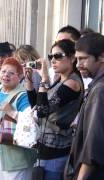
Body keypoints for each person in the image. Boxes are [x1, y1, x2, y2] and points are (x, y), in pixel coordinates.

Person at [25, 39, 83, 179]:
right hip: (44, 149)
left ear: (72, 58)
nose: (53, 60)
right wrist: (29, 80)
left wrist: (44, 77)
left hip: (57, 151)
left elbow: (42, 111)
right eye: (51, 57)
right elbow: (36, 106)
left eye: (58, 56)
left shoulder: (72, 83)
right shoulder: (60, 80)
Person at [0, 57, 36, 180]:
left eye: (11, 73)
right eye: (3, 71)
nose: (6, 75)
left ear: (19, 77)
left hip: (16, 156)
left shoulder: (22, 95)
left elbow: (32, 120)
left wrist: (11, 112)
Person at [64, 33, 104, 179]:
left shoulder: (99, 90)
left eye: (83, 59)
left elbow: (93, 143)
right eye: (77, 59)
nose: (78, 64)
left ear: (101, 57)